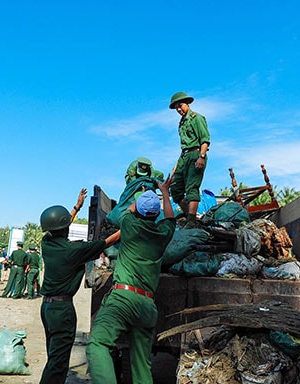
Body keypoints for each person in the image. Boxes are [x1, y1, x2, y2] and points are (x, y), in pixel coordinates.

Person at [86, 176, 176, 384]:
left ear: (138, 210)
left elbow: (123, 210)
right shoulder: (163, 233)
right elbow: (171, 218)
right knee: (141, 364)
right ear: (156, 215)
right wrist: (164, 191)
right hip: (147, 307)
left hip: (123, 300)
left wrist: (142, 191)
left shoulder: (129, 224)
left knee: (97, 344)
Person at [39, 188, 121, 384]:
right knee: (58, 363)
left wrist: (77, 207)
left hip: (47, 308)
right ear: (66, 227)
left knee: (54, 356)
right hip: (62, 311)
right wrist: (128, 226)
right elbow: (107, 241)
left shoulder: (46, 243)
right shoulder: (73, 251)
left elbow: (62, 224)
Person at [169, 91, 211, 229]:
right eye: (176, 109)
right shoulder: (181, 123)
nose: (179, 110)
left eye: (180, 106)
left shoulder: (196, 118)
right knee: (175, 188)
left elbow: (205, 140)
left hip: (196, 154)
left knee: (192, 187)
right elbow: (183, 148)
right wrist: (176, 166)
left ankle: (191, 221)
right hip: (184, 157)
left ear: (187, 104)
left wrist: (202, 157)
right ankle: (189, 216)